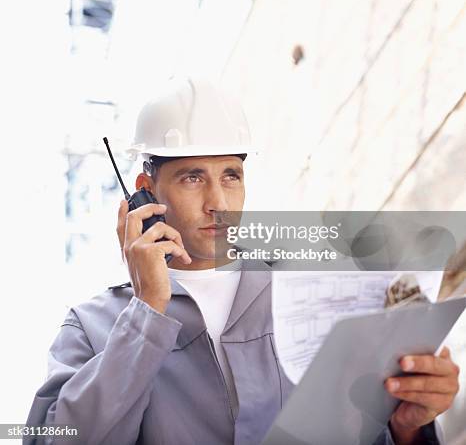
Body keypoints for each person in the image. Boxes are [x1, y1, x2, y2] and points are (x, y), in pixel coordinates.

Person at [26, 77, 460, 444]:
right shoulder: (93, 326)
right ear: (145, 190)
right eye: (192, 177)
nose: (219, 203)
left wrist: (408, 430)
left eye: (230, 176)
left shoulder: (315, 285)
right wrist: (147, 312)